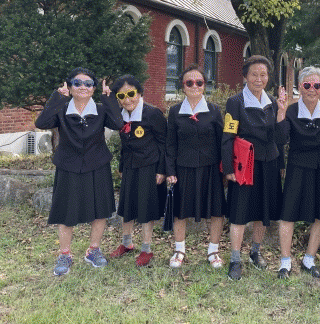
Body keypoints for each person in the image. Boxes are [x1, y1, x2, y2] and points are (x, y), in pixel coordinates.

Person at [35, 67, 124, 276]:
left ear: (93, 88)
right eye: (77, 83)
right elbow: (41, 123)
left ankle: (93, 251)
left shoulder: (101, 110)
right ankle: (65, 254)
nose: (83, 86)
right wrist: (57, 97)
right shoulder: (62, 109)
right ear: (70, 87)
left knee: (100, 210)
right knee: (66, 212)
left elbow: (118, 123)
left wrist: (109, 99)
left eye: (88, 83)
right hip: (68, 166)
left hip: (97, 165)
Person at [222, 55, 287, 281]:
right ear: (245, 76)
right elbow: (228, 136)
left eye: (263, 75)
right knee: (239, 214)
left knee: (263, 212)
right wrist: (228, 168)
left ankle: (255, 252)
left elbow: (281, 139)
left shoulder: (273, 102)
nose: (259, 79)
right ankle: (235, 259)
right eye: (254, 74)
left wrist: (281, 114)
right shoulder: (235, 102)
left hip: (269, 164)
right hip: (244, 165)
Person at [277, 66, 320, 279]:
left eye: (316, 85)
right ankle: (285, 262)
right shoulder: (291, 111)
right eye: (307, 84)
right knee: (288, 214)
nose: (312, 89)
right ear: (300, 87)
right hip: (297, 168)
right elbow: (281, 139)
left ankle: (309, 259)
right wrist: (281, 112)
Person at [165, 65, 226, 269]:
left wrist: (225, 169)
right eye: (189, 82)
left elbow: (222, 142)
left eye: (199, 82)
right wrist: (170, 170)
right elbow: (170, 144)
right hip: (183, 168)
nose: (194, 86)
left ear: (204, 85)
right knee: (180, 211)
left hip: (210, 168)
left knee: (216, 210)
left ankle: (213, 251)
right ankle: (179, 250)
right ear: (182, 86)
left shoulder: (214, 111)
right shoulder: (175, 112)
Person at [109, 74, 167, 267]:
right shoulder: (121, 115)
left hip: (150, 167)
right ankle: (126, 243)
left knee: (146, 209)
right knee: (127, 207)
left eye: (131, 94)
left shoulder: (152, 113)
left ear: (140, 93)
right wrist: (121, 167)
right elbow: (124, 145)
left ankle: (146, 249)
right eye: (121, 96)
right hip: (130, 167)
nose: (127, 100)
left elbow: (164, 143)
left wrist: (162, 170)